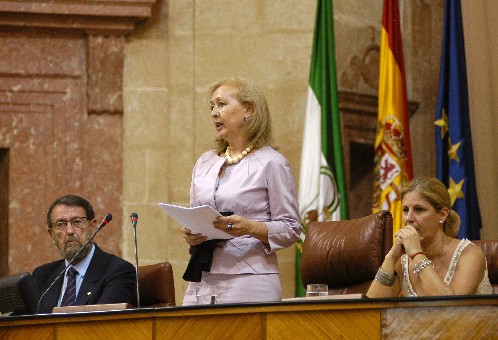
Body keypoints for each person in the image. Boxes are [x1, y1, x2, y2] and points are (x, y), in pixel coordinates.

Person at [181, 77, 301, 305]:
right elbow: (195, 215)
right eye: (212, 107)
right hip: (202, 278)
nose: (214, 113)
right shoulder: (204, 163)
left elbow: (291, 228)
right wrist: (191, 235)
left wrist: (250, 227)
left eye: (222, 104)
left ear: (248, 109)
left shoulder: (272, 163)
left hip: (250, 280)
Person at [367, 176, 492, 298]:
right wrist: (391, 257)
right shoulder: (402, 261)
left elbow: (450, 309)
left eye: (419, 209)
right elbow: (370, 313)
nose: (409, 218)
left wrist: (417, 254)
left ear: (442, 215)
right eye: (405, 210)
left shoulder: (470, 255)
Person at [32, 195, 136, 313]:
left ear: (92, 226)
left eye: (77, 222)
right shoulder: (41, 276)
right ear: (51, 234)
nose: (70, 231)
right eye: (61, 224)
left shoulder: (117, 271)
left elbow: (104, 324)